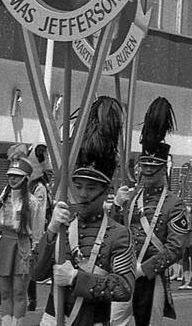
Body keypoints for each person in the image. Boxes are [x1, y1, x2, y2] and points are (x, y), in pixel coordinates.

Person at [31, 96, 134, 326]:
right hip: (52, 318)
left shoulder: (118, 233)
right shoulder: (64, 222)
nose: (84, 193)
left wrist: (77, 278)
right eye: (78, 186)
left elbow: (124, 288)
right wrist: (50, 231)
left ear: (105, 189)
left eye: (91, 188)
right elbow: (35, 273)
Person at [110, 97, 189, 326]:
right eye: (145, 170)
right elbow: (115, 233)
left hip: (151, 275)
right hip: (124, 269)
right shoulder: (131, 195)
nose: (147, 175)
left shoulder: (174, 203)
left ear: (163, 170)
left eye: (152, 171)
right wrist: (117, 206)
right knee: (115, 321)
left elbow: (175, 248)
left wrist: (144, 269)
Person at [0, 157, 48, 326]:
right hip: (4, 246)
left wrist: (35, 254)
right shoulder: (3, 199)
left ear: (25, 178)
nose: (12, 178)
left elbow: (37, 232)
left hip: (23, 247)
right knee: (5, 293)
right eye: (10, 175)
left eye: (16, 175)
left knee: (19, 293)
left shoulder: (34, 203)